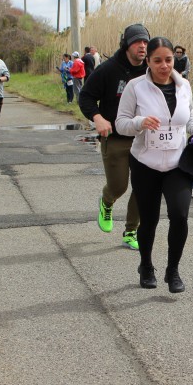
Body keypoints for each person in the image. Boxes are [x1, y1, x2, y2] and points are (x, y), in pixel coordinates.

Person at [115, 37, 193, 293]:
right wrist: (139, 122)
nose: (164, 66)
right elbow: (121, 123)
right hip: (146, 163)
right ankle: (146, 266)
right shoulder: (135, 87)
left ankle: (172, 270)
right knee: (149, 219)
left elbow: (189, 118)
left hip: (177, 163)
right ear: (148, 61)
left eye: (168, 60)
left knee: (180, 215)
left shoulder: (184, 85)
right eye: (157, 61)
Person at [79, 23, 149, 250]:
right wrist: (97, 118)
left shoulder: (151, 69)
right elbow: (86, 97)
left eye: (145, 42)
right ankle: (107, 201)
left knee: (143, 186)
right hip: (116, 137)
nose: (142, 46)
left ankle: (131, 231)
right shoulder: (108, 70)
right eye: (137, 42)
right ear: (126, 44)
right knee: (119, 186)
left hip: (143, 137)